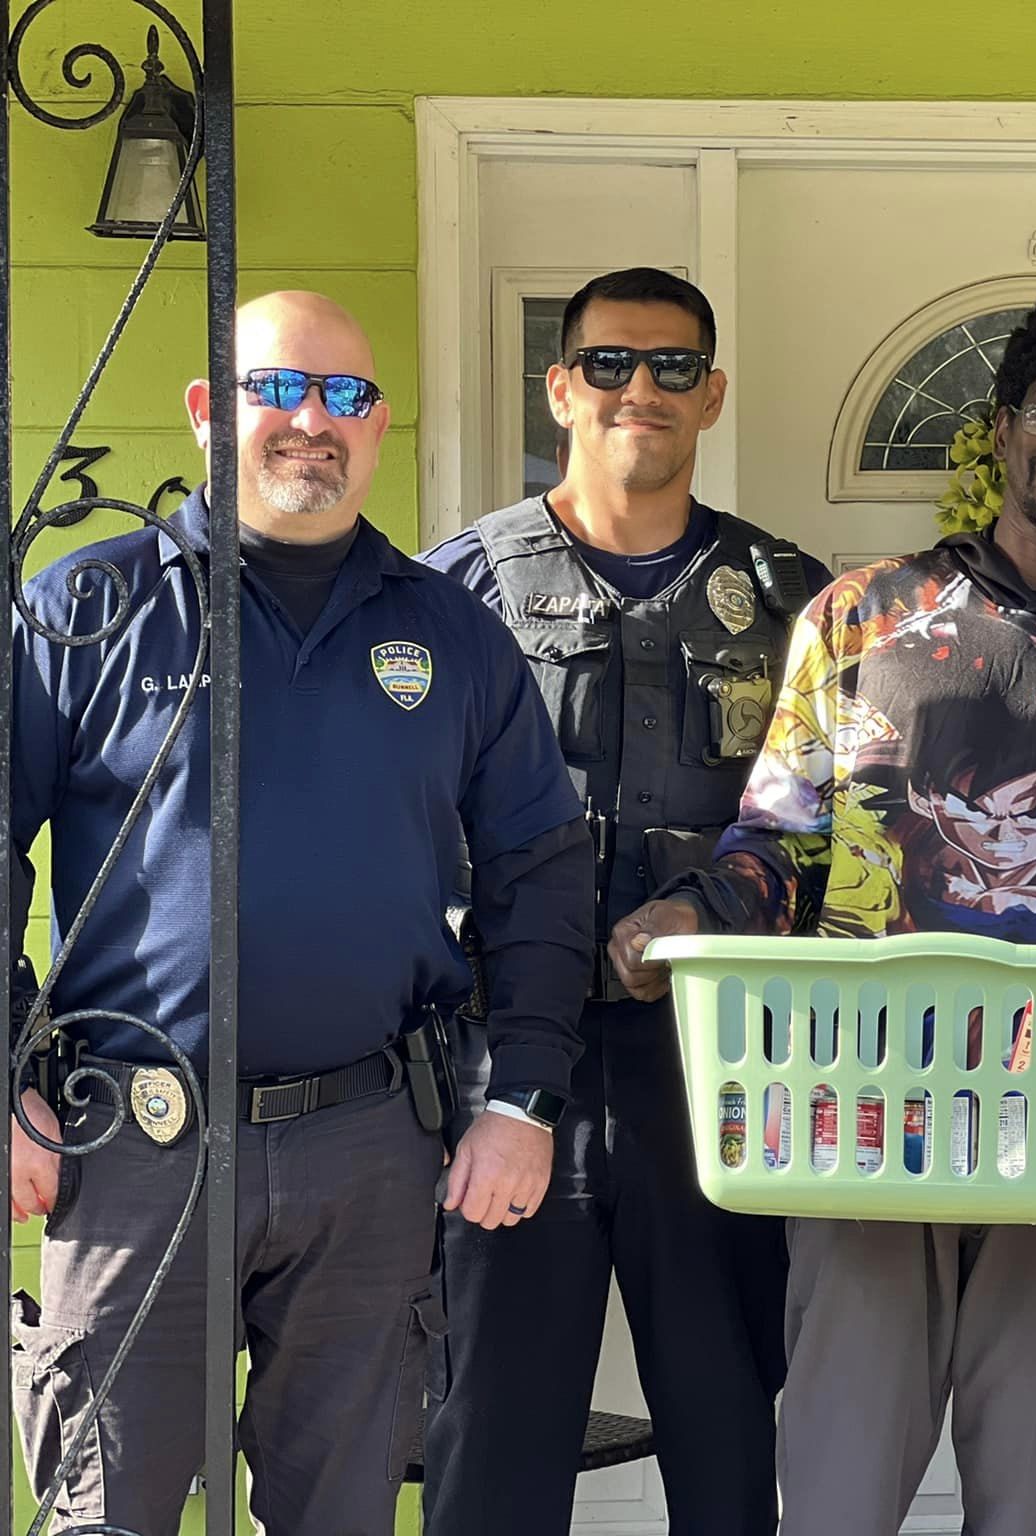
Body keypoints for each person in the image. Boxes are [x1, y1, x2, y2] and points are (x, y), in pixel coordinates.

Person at [611, 283, 1036, 1536]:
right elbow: (780, 838)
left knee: (1027, 1501)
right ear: (999, 429)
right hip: (863, 1113)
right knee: (835, 1498)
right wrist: (689, 914)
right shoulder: (865, 616)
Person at [6, 291, 592, 1534]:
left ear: (377, 424)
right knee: (107, 1511)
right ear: (206, 411)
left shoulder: (452, 634)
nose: (310, 421)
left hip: (368, 1149)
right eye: (275, 388)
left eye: (345, 395)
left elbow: (539, 868)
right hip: (134, 1143)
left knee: (342, 1511)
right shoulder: (89, 608)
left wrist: (523, 1097)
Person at [419, 267, 826, 1536]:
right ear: (559, 388)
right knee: (491, 1420)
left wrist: (711, 907)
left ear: (712, 394)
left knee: (723, 1415)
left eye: (669, 366)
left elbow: (832, 825)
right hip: (501, 1055)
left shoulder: (789, 598)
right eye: (606, 363)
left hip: (718, 1066)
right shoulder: (456, 591)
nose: (636, 389)